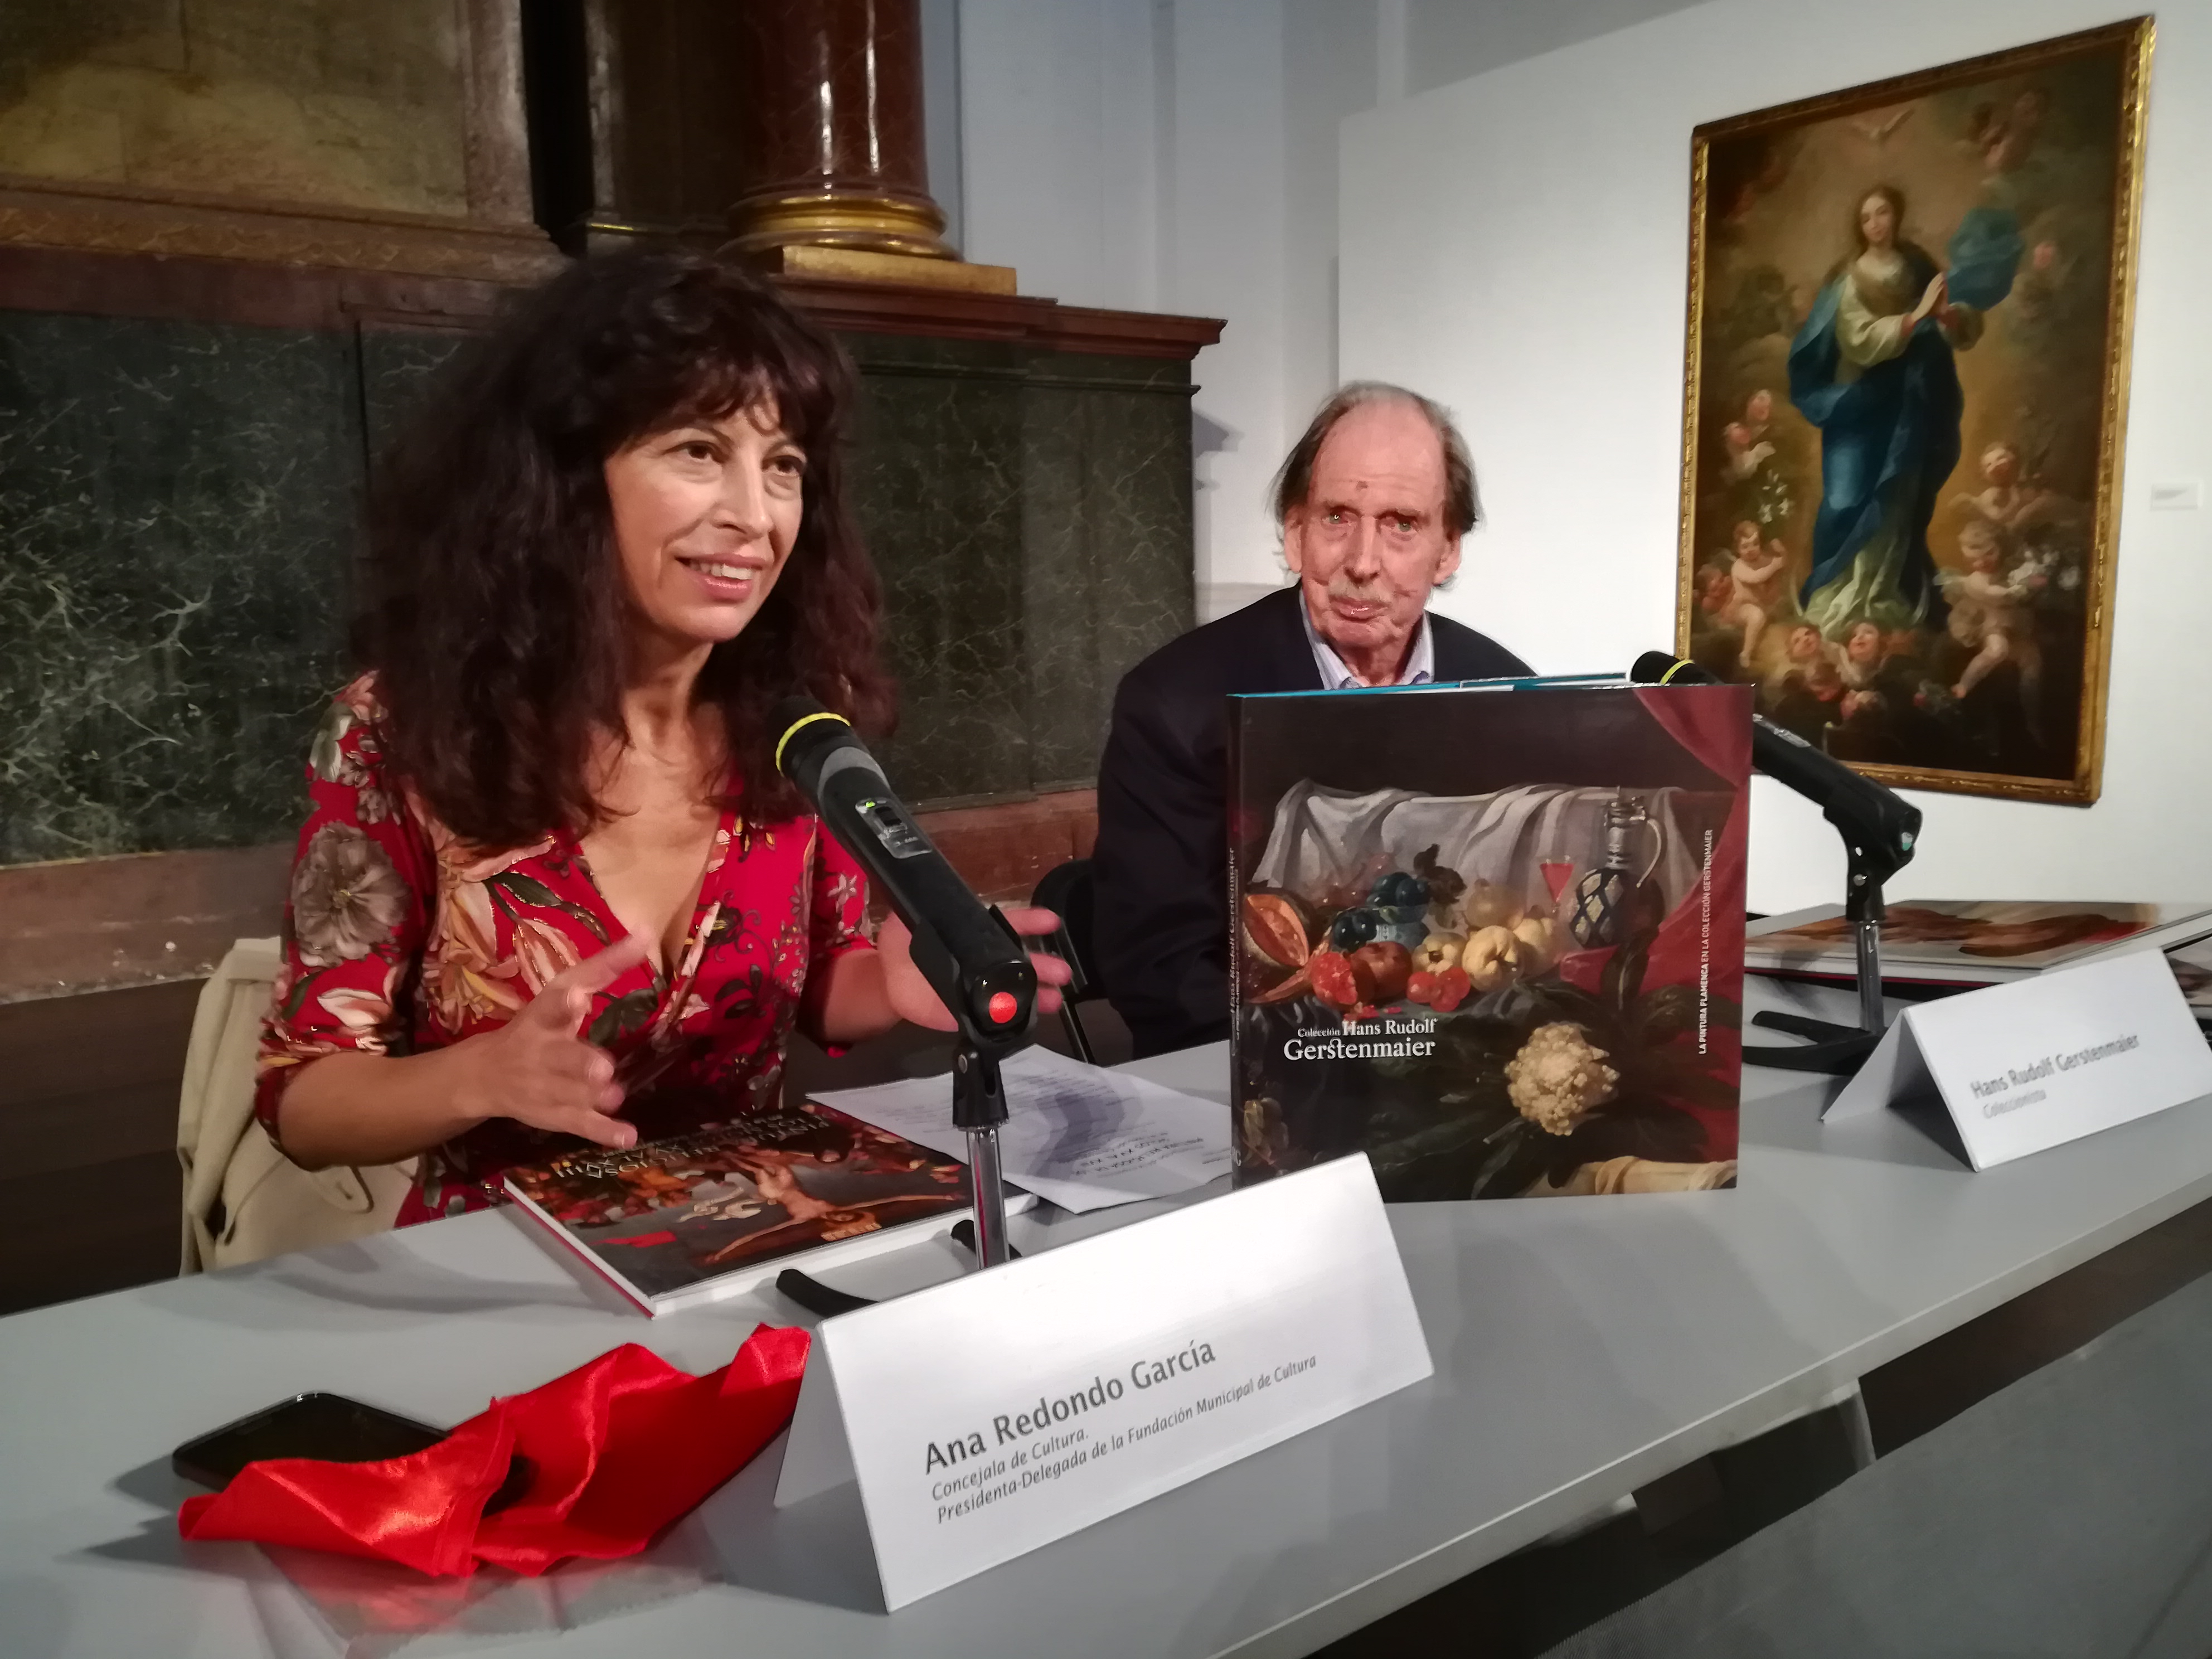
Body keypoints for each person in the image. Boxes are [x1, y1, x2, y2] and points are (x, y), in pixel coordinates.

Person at [257, 252, 1068, 1224]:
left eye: (783, 466)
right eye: (697, 450)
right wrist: (483, 1075)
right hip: (505, 1258)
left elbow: (822, 979)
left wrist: (896, 981)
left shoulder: (798, 723)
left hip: (747, 1238)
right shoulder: (398, 730)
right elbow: (306, 1099)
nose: (753, 516)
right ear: (565, 478)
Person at [1092, 383, 1529, 1058]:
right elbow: (1162, 972)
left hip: (1462, 1060)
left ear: (1447, 548)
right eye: (1335, 517)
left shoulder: (1511, 694)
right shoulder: (1174, 703)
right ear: (1294, 533)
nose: (1361, 562)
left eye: (1401, 524)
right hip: (1262, 1067)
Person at [1788, 184, 1988, 639]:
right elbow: (1858, 337)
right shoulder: (1849, 278)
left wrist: (1945, 317)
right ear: (1859, 227)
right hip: (1857, 403)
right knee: (1844, 500)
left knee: (1897, 499)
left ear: (1896, 215)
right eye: (1867, 217)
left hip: (1908, 402)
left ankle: (1882, 597)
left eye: (1882, 213)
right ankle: (1834, 598)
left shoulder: (1918, 267)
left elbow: (1954, 323)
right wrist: (1914, 319)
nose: (1876, 223)